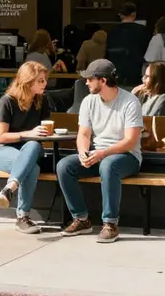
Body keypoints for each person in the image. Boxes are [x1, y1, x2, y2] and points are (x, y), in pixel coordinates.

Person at [57, 58, 143, 244]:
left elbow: (131, 141)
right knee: (64, 166)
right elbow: (84, 134)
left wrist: (103, 153)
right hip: (97, 153)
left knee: (109, 165)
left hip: (126, 157)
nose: (85, 82)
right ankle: (81, 219)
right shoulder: (88, 101)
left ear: (103, 80)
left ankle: (110, 224)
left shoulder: (130, 102)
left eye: (90, 78)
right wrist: (83, 152)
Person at [0, 61, 54, 233]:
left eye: (44, 80)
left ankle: (9, 188)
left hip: (31, 150)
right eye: (40, 81)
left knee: (33, 146)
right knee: (32, 168)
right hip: (4, 150)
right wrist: (28, 134)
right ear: (28, 82)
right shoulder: (7, 101)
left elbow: (40, 135)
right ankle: (23, 217)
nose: (45, 84)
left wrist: (42, 134)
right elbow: (1, 136)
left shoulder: (42, 101)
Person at [105, 2, 150, 87]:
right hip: (136, 71)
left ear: (121, 15)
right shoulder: (142, 30)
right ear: (134, 14)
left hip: (116, 71)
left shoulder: (112, 31)